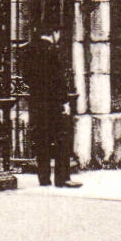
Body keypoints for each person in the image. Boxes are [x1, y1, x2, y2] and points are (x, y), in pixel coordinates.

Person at [20, 28, 80, 187]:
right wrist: (64, 102)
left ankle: (44, 178)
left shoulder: (28, 51)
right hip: (53, 104)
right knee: (62, 140)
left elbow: (26, 77)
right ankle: (62, 178)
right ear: (54, 32)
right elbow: (58, 80)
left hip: (36, 103)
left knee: (42, 141)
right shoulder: (52, 51)